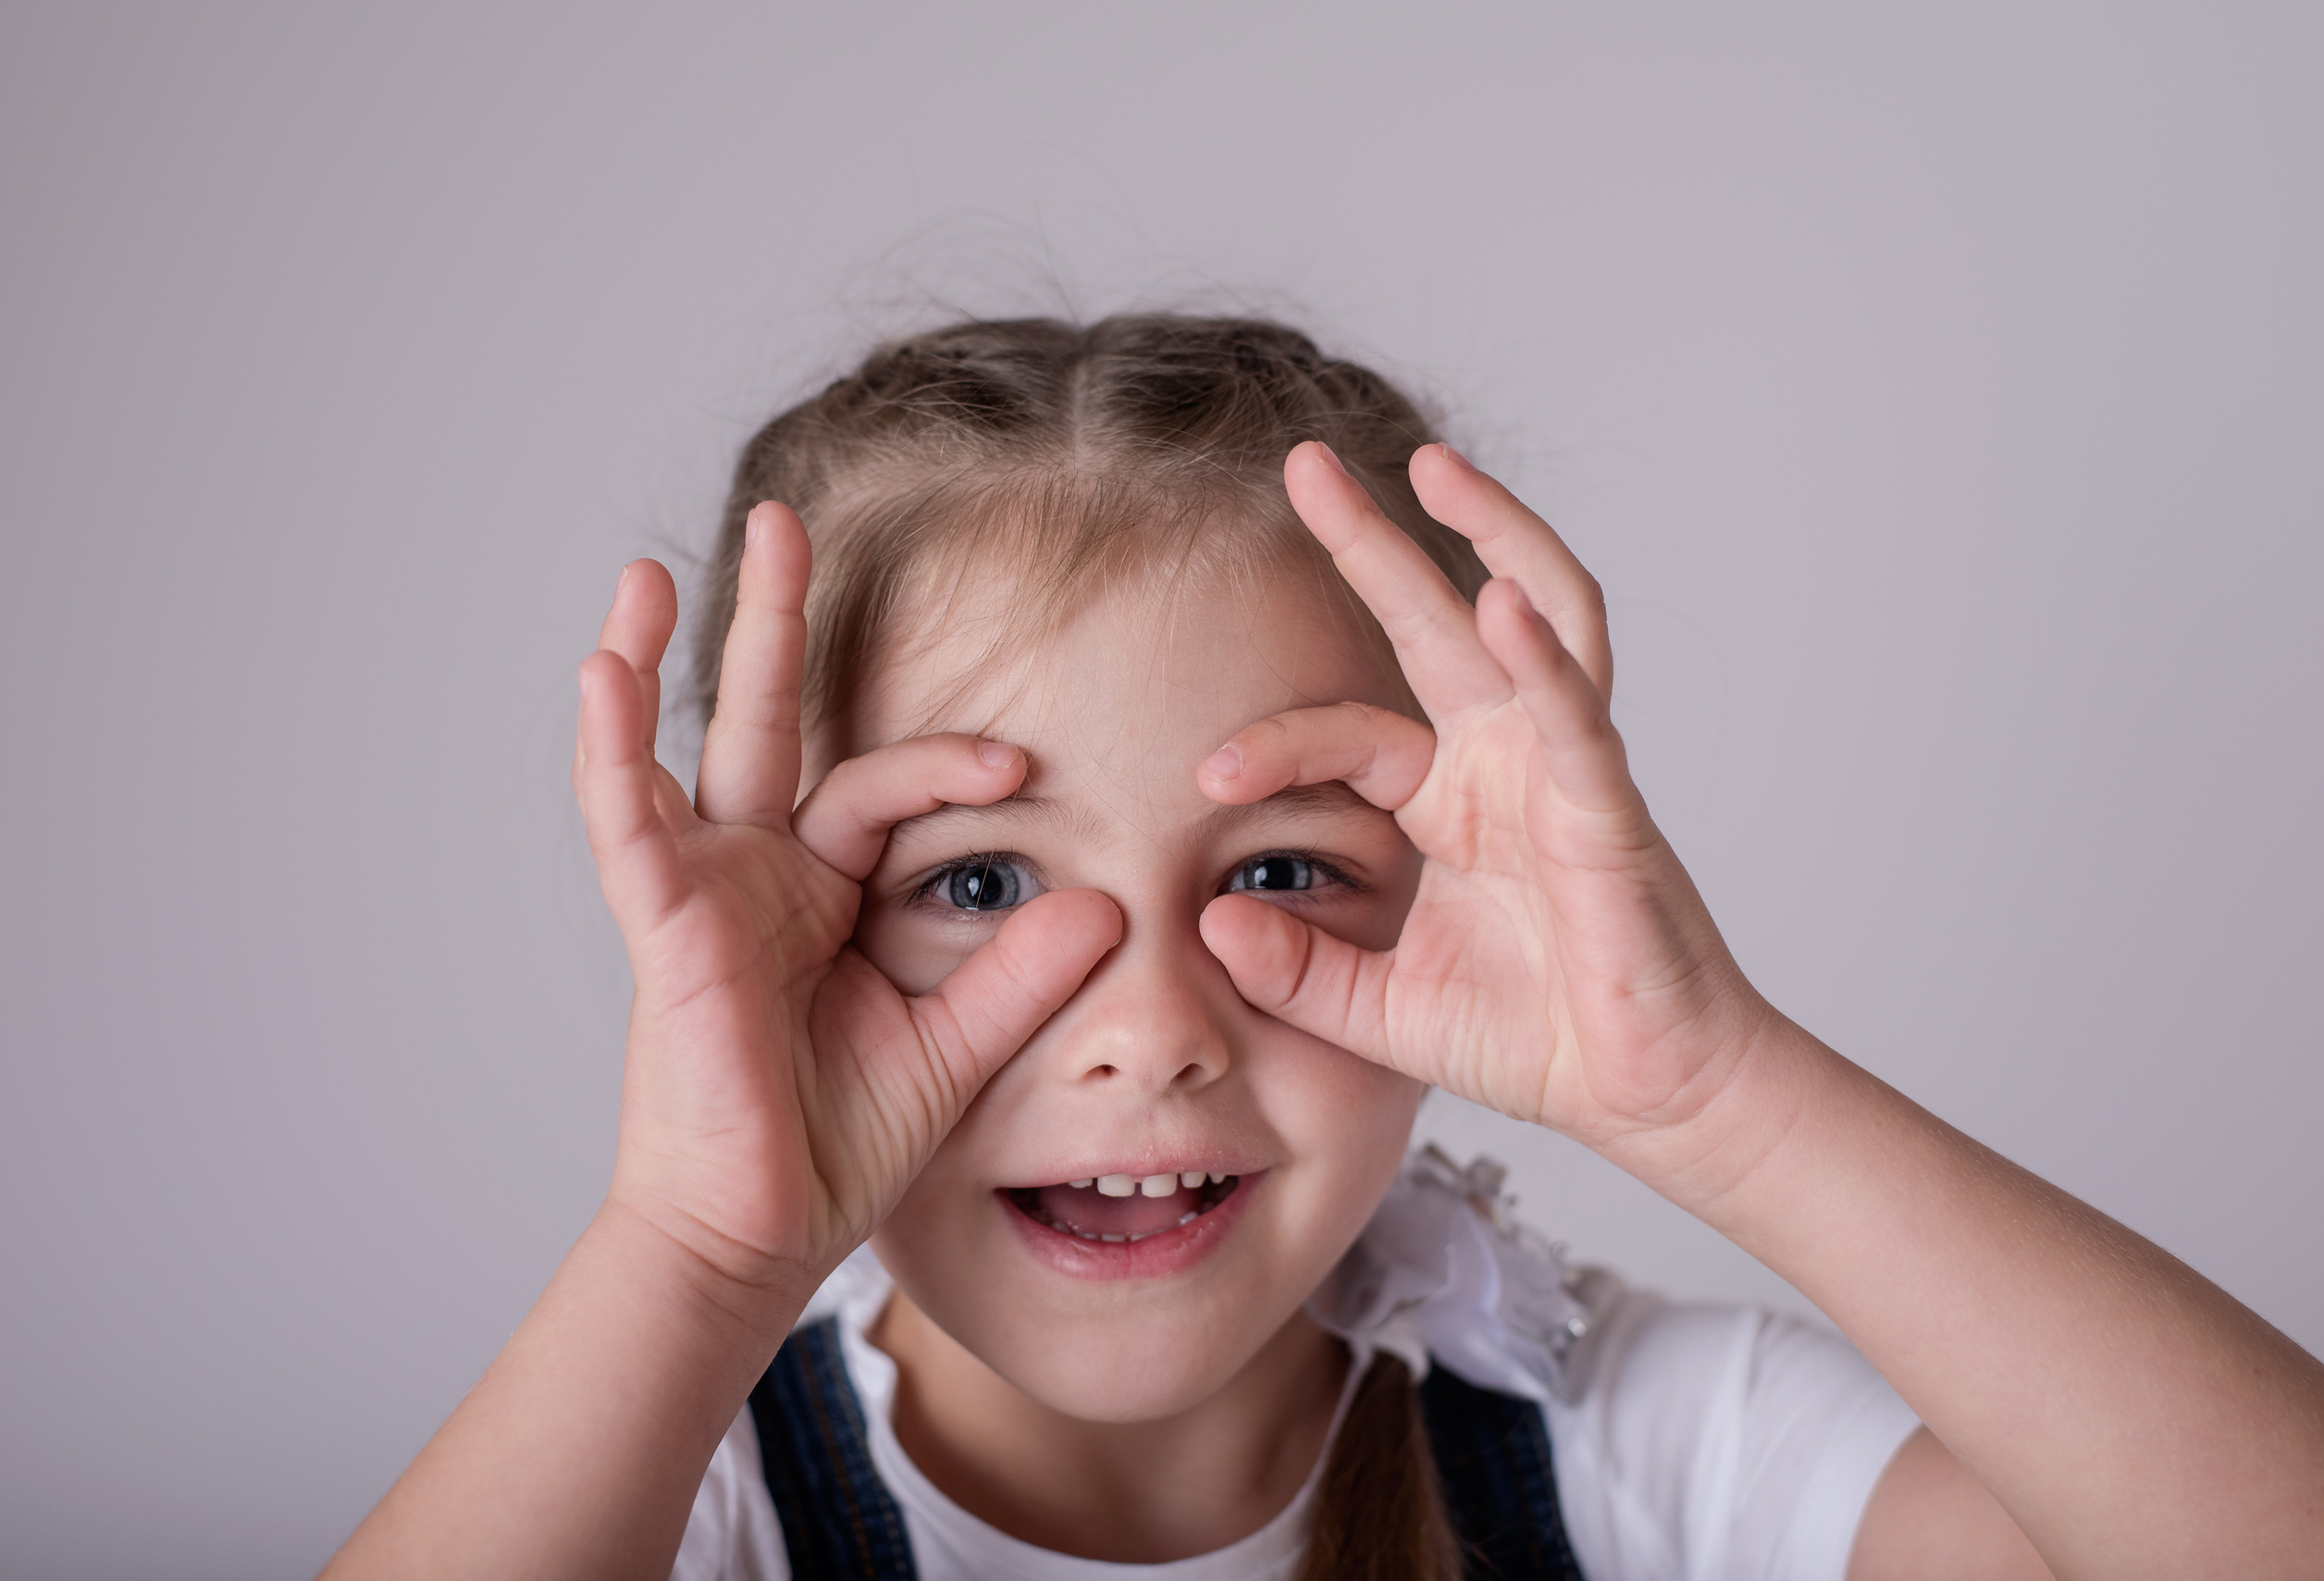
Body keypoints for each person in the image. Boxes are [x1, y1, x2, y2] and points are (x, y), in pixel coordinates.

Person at [320, 316, 2324, 1581]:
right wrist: (689, 1257)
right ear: (776, 939)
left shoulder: (1627, 1460)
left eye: (1277, 872)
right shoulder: (683, 1506)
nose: (1149, 1033)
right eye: (982, 885)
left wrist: (1714, 1096)